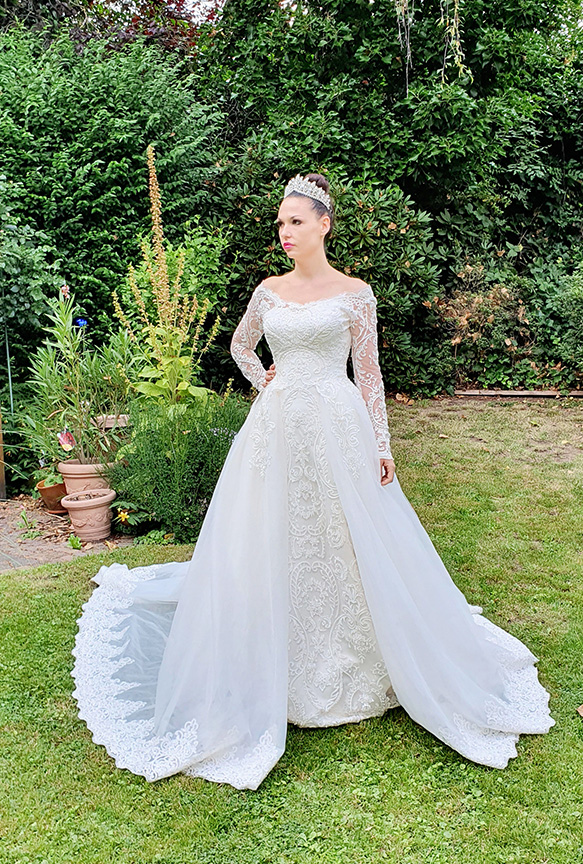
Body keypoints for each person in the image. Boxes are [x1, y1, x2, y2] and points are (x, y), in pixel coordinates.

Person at [71, 173, 554, 790]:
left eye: (295, 221)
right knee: (272, 531)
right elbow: (241, 347)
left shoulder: (356, 294)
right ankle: (273, 650)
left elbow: (370, 374)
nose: (285, 232)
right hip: (276, 429)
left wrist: (382, 445)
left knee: (344, 534)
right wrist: (264, 380)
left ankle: (357, 654)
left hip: (337, 423)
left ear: (324, 224)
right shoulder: (268, 291)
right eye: (280, 223)